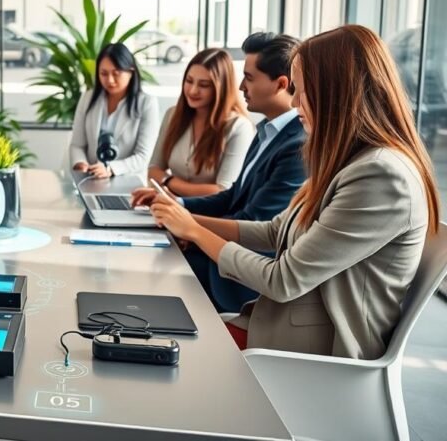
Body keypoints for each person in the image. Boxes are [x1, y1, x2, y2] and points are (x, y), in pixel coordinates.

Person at [149, 25, 440, 360]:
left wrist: (196, 232)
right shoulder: (348, 161)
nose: (296, 101)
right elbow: (275, 231)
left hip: (312, 354)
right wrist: (185, 220)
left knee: (159, 348)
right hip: (277, 327)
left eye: (303, 90)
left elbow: (283, 280)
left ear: (337, 92)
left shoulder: (382, 175)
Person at [133, 33, 306, 312]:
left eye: (249, 78)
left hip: (238, 278)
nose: (240, 86)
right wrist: (175, 205)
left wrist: (188, 226)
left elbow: (256, 224)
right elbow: (232, 196)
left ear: (281, 84)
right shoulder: (267, 131)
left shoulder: (297, 146)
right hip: (222, 255)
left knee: (148, 274)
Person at [146, 48, 253, 197]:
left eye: (203, 85)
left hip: (210, 216)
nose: (193, 91)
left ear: (220, 89)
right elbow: (153, 169)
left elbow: (223, 190)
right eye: (189, 81)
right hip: (169, 207)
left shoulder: (238, 127)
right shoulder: (173, 115)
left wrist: (169, 182)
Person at [69, 42, 160, 178]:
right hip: (90, 178)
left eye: (116, 74)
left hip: (127, 180)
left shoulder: (147, 103)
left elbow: (143, 156)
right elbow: (77, 144)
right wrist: (81, 164)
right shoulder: (88, 98)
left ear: (130, 72)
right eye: (103, 74)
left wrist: (110, 169)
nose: (110, 80)